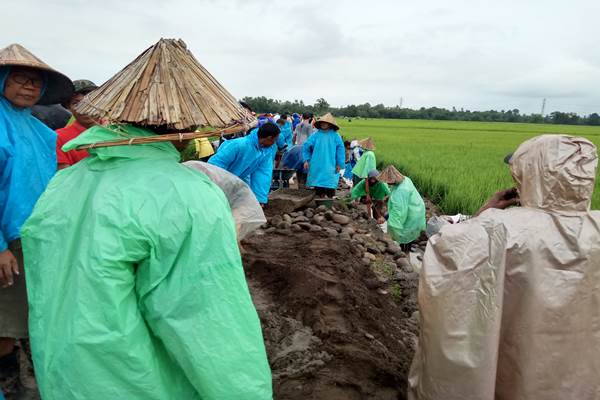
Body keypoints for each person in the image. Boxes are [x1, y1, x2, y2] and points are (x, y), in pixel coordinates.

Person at [20, 38, 272, 399]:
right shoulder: (189, 197)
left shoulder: (67, 181)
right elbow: (208, 322)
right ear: (192, 127)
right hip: (131, 379)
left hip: (64, 372)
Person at [409, 134, 600, 400]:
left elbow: (445, 248)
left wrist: (485, 211)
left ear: (533, 174)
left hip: (519, 368)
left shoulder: (497, 228)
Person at [0, 43, 73, 396]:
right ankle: (9, 384)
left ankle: (27, 376)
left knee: (31, 314)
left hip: (35, 238)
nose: (28, 87)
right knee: (3, 320)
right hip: (6, 241)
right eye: (19, 79)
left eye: (34, 82)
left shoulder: (43, 134)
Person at [209, 122, 280, 205]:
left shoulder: (265, 152)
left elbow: (263, 174)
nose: (275, 143)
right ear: (269, 138)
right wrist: (215, 187)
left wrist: (259, 199)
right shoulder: (238, 145)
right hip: (218, 180)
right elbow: (215, 165)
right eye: (275, 140)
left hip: (237, 180)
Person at [378, 165, 426, 250]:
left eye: (388, 182)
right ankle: (407, 248)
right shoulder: (405, 179)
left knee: (404, 233)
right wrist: (389, 196)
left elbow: (398, 213)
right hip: (417, 207)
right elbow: (398, 195)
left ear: (393, 181)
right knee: (409, 232)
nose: (387, 184)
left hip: (411, 213)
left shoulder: (401, 191)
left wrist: (386, 219)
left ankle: (404, 252)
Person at [55, 79, 98, 169]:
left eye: (91, 101)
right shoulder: (59, 137)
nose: (84, 108)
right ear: (69, 107)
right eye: (76, 103)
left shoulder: (118, 132)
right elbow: (64, 176)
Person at [302, 113, 345, 198]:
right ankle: (319, 203)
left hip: (331, 163)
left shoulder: (336, 136)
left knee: (330, 183)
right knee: (318, 184)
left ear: (330, 124)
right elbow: (306, 147)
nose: (323, 124)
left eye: (326, 123)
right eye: (322, 122)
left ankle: (329, 203)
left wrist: (339, 164)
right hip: (317, 162)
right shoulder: (315, 135)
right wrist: (306, 160)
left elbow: (340, 150)